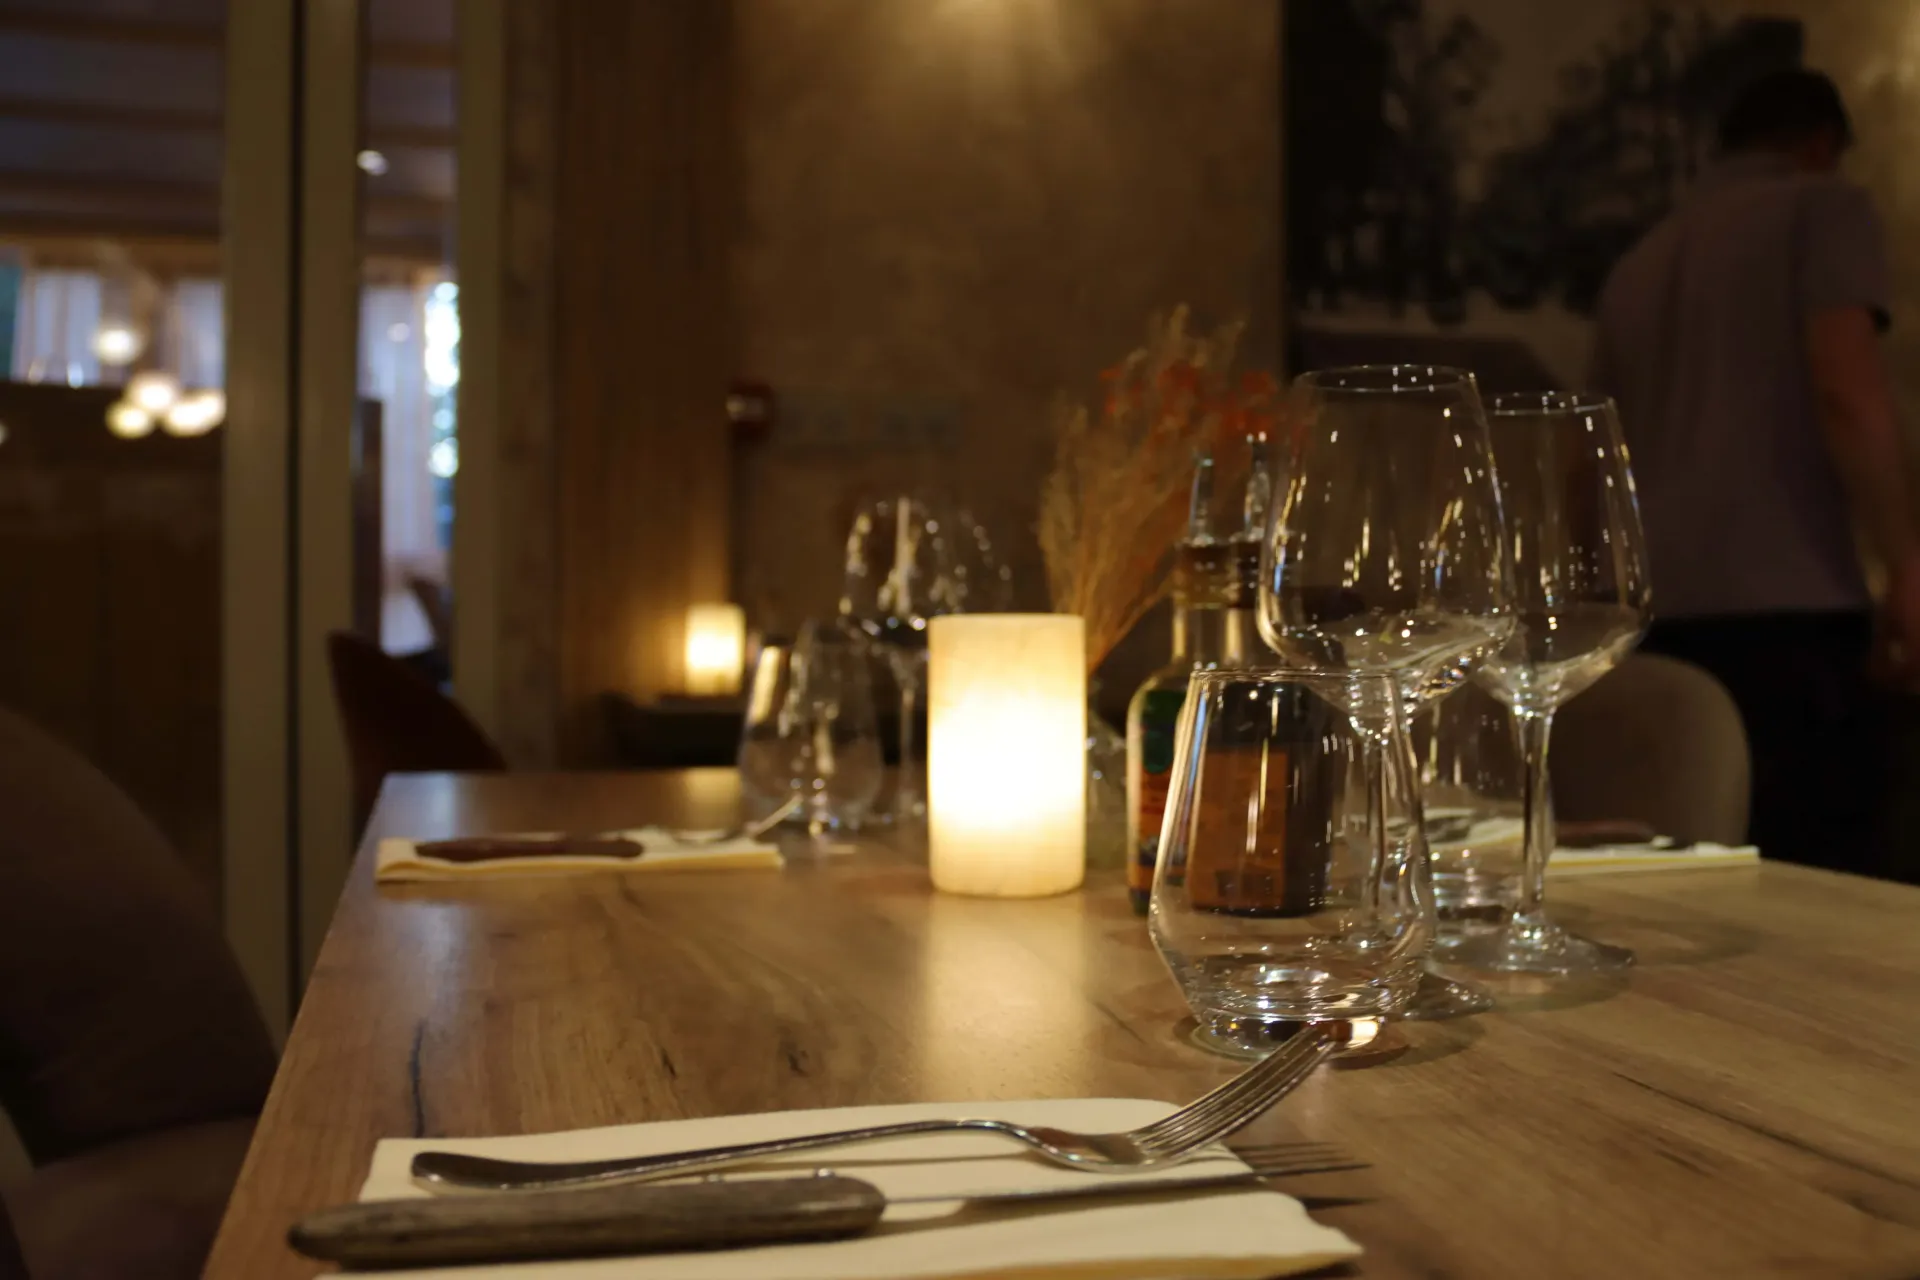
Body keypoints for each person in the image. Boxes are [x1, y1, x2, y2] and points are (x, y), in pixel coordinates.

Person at [1590, 69, 1920, 876]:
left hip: (1658, 628)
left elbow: (1589, 463)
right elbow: (1846, 388)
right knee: (1825, 887)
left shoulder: (1638, 261)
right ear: (1818, 144)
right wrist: (1908, 567)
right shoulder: (1822, 206)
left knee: (1690, 893)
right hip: (1791, 618)